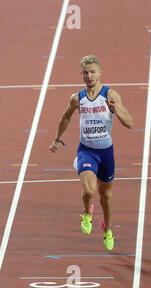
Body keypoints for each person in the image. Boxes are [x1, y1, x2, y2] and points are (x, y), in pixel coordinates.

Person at [50, 55, 134, 251]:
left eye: (92, 72)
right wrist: (57, 138)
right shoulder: (77, 98)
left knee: (106, 194)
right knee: (89, 190)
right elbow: (65, 118)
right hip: (86, 151)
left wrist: (116, 110)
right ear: (81, 74)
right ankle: (87, 212)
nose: (89, 76)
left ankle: (107, 229)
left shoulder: (110, 95)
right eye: (85, 73)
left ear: (99, 73)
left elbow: (130, 122)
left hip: (106, 152)